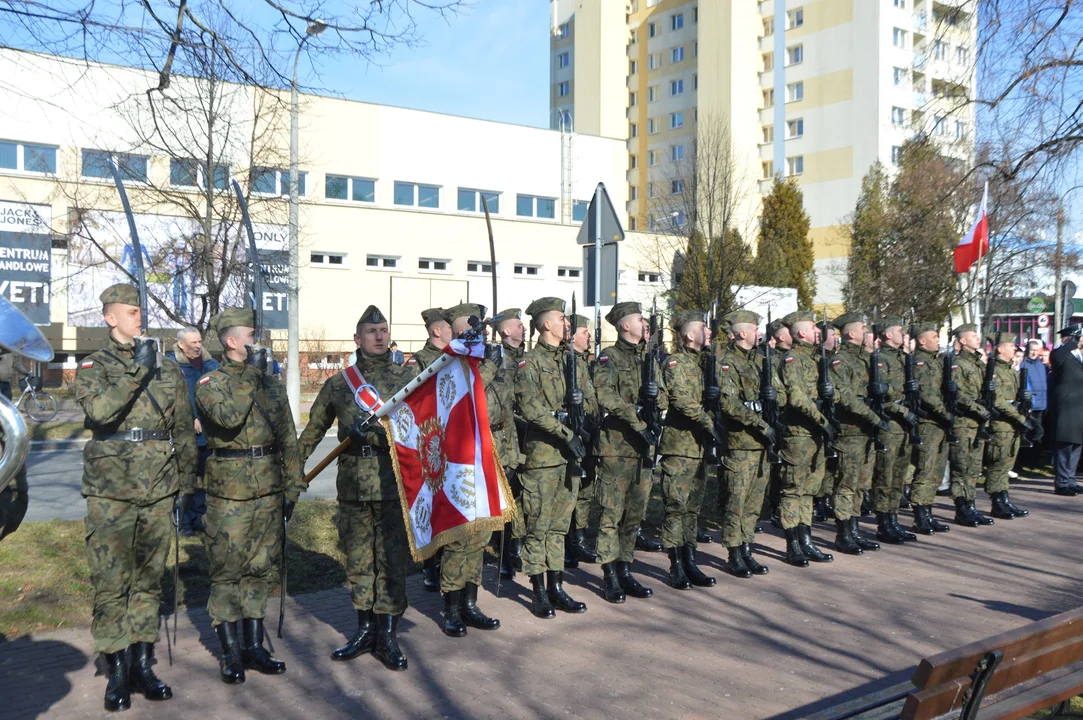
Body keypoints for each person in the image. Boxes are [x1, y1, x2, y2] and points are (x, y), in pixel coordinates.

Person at [74, 283, 197, 712]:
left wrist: (186, 481)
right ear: (110, 318)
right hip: (112, 491)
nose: (138, 317)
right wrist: (134, 372)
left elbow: (182, 426)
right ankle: (117, 671)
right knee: (111, 584)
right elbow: (101, 412)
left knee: (148, 582)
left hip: (159, 487)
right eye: (129, 312)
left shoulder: (166, 368)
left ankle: (143, 665)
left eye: (139, 310)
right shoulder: (94, 365)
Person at [298, 306, 414, 670]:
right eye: (371, 331)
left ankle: (388, 635)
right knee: (359, 561)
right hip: (352, 486)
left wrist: (380, 435)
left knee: (392, 562)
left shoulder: (406, 380)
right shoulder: (339, 383)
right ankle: (364, 631)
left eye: (384, 329)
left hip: (392, 483)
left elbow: (417, 431)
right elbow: (313, 430)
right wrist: (291, 472)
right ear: (357, 339)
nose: (379, 336)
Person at [194, 309, 302, 683]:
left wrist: (294, 485)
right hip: (230, 494)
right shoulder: (211, 382)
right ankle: (229, 653)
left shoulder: (270, 383)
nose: (259, 341)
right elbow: (228, 418)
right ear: (232, 341)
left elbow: (288, 436)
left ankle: (254, 647)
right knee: (228, 572)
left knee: (259, 568)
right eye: (252, 335)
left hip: (269, 490)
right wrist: (252, 376)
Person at [514, 297, 591, 616]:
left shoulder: (572, 359)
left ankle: (556, 587)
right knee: (539, 526)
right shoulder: (529, 363)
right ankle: (538, 592)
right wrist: (565, 432)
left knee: (560, 526)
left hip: (569, 456)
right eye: (562, 318)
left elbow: (589, 401)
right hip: (544, 456)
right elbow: (530, 407)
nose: (567, 323)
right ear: (547, 324)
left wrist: (580, 402)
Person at [434, 304, 504, 637]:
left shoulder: (480, 360)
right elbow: (460, 394)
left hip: (483, 459)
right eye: (473, 331)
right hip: (456, 463)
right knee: (459, 538)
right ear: (459, 332)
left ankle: (470, 604)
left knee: (480, 536)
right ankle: (451, 608)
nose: (481, 336)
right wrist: (488, 365)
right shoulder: (448, 362)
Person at [593, 302, 668, 602]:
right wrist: (637, 419)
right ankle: (609, 574)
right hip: (617, 447)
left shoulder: (650, 357)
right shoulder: (608, 357)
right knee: (613, 513)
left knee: (635, 514)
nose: (645, 322)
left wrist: (655, 397)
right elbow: (605, 396)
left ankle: (625, 569)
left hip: (643, 447)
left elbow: (664, 394)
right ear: (625, 325)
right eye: (639, 319)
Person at [658, 309, 718, 588]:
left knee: (693, 509)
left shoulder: (707, 363)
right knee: (676, 507)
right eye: (705, 328)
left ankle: (690, 560)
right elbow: (681, 400)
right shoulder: (676, 363)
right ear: (690, 335)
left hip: (700, 447)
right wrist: (711, 424)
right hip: (680, 446)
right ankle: (676, 565)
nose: (710, 333)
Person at [717, 310, 779, 578]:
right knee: (737, 502)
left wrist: (772, 396)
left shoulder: (760, 361)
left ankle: (746, 548)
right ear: (743, 333)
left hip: (761, 445)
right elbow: (729, 404)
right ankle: (734, 553)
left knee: (755, 502)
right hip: (741, 443)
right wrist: (760, 423)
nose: (760, 334)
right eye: (755, 329)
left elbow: (777, 394)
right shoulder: (727, 363)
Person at [776, 312, 836, 566]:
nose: (817, 331)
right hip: (799, 434)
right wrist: (823, 422)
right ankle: (793, 544)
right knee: (794, 490)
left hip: (816, 435)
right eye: (813, 327)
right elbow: (797, 398)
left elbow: (830, 393)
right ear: (802, 333)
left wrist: (831, 395)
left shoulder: (817, 359)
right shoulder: (792, 360)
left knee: (810, 490)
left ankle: (806, 540)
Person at [826, 313, 887, 556]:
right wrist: (873, 417)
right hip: (850, 431)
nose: (866, 332)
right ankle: (843, 534)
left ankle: (854, 529)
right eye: (862, 328)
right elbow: (846, 398)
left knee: (861, 484)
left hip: (866, 432)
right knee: (847, 485)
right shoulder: (840, 361)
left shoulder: (866, 359)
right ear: (851, 333)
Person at [869, 317, 920, 544]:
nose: (904, 334)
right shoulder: (880, 360)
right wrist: (901, 410)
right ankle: (883, 524)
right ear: (888, 334)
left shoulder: (904, 359)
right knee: (885, 476)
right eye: (900, 330)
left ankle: (893, 519)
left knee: (899, 476)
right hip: (890, 424)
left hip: (905, 427)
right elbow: (879, 397)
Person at [166, 327, 220, 536]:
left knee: (204, 477)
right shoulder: (172, 365)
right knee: (185, 478)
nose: (198, 346)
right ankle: (184, 523)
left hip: (210, 431)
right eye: (193, 343)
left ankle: (199, 518)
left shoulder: (211, 364)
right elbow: (171, 397)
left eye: (199, 342)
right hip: (185, 433)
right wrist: (189, 417)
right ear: (181, 344)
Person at [949, 324, 996, 526]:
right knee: (962, 467)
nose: (978, 339)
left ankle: (971, 505)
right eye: (973, 336)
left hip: (978, 424)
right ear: (962, 340)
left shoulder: (979, 363)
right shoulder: (958, 364)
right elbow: (958, 395)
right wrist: (978, 409)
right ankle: (961, 508)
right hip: (964, 423)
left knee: (974, 468)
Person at [908, 322, 953, 534]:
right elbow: (927, 395)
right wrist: (947, 414)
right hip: (928, 423)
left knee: (936, 472)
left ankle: (928, 512)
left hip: (940, 423)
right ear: (922, 340)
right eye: (934, 336)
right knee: (925, 470)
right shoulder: (920, 363)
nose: (938, 340)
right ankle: (920, 515)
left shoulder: (935, 361)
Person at [980, 332, 1030, 519]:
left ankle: (1004, 498)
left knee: (1007, 463)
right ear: (1001, 349)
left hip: (1013, 425)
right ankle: (996, 502)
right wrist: (1018, 416)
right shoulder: (993, 370)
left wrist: (1027, 400)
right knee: (998, 464)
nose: (1014, 350)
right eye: (1011, 346)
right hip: (1001, 424)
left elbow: (1019, 395)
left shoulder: (1012, 370)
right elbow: (998, 401)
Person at [565, 313, 600, 568]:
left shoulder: (585, 362)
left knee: (586, 489)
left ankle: (579, 539)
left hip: (589, 431)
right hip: (572, 434)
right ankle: (568, 542)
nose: (588, 335)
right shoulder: (566, 362)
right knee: (571, 490)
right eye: (583, 331)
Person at [495, 308, 527, 579]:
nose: (524, 328)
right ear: (506, 331)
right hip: (508, 435)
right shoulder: (499, 360)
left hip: (529, 436)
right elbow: (501, 403)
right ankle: (506, 553)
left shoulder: (525, 358)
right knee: (506, 496)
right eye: (519, 324)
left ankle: (518, 548)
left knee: (524, 497)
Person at [1048, 324, 1083, 496]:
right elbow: (1060, 356)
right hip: (1065, 406)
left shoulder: (1079, 356)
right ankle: (1061, 482)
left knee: (1076, 444)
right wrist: (1074, 340)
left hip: (1079, 406)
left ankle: (1070, 479)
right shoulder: (1059, 353)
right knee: (1064, 445)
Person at [1017, 339, 1048, 469]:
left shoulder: (1041, 365)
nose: (1035, 353)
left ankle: (1034, 461)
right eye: (1032, 350)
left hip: (1042, 404)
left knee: (1039, 434)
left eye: (1036, 350)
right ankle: (1024, 461)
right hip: (1031, 404)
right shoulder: (1024, 365)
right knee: (1028, 433)